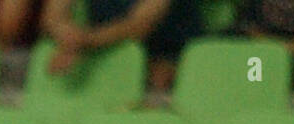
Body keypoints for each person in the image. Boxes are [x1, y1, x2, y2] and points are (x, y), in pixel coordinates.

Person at [42, 0, 203, 93]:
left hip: (171, 53)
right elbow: (53, 16)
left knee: (161, 78)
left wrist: (83, 41)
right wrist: (67, 35)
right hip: (105, 50)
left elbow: (139, 25)